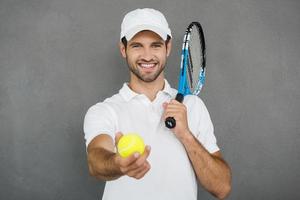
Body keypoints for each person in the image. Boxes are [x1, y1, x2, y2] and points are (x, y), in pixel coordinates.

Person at [84, 8, 231, 200]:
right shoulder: (104, 111)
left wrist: (185, 135)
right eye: (137, 46)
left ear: (168, 48)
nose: (147, 55)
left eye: (155, 45)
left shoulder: (193, 106)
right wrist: (118, 163)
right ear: (123, 49)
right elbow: (96, 160)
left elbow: (222, 187)